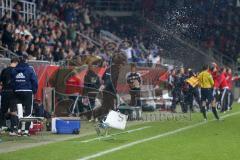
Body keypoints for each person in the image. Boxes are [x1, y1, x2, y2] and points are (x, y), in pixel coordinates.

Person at [11, 54, 38, 136]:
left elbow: (12, 82)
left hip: (17, 92)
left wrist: (15, 90)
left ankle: (19, 130)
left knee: (19, 112)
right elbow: (34, 81)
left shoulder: (14, 70)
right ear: (26, 60)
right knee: (28, 111)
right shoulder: (30, 69)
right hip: (27, 91)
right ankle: (25, 131)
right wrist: (34, 91)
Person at [0, 58, 19, 134]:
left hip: (4, 92)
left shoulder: (4, 70)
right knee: (13, 111)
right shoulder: (17, 71)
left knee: (2, 111)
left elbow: (1, 82)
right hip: (13, 93)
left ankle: (0, 127)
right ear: (16, 62)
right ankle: (13, 130)